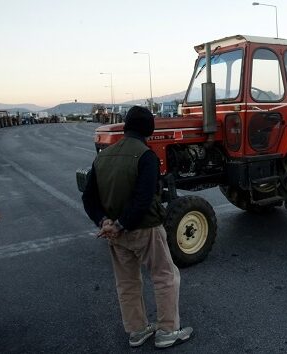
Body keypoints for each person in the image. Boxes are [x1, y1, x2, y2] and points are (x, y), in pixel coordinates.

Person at [82, 106, 193, 348]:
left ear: (126, 126)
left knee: (127, 283)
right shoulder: (146, 156)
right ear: (149, 129)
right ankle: (167, 331)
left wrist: (105, 222)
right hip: (145, 229)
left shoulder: (102, 156)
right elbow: (144, 198)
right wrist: (122, 224)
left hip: (114, 234)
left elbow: (88, 198)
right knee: (165, 277)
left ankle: (137, 330)